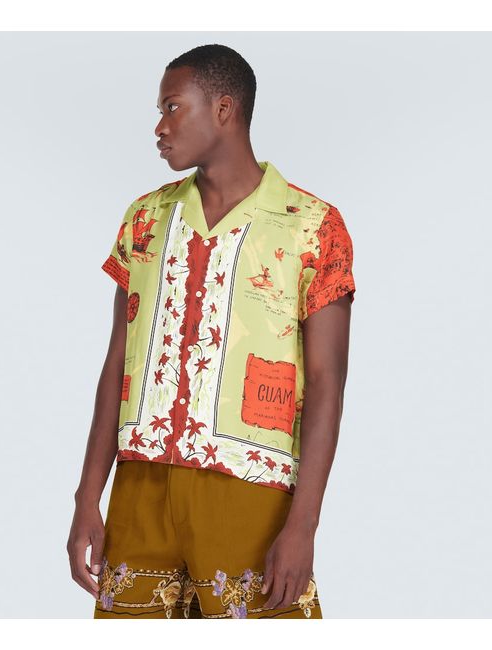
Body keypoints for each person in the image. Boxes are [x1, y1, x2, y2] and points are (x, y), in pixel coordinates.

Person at [67, 43, 356, 619]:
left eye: (172, 107)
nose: (159, 127)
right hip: (140, 487)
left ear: (224, 109)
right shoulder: (144, 220)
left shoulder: (313, 227)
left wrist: (303, 525)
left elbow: (327, 383)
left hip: (252, 491)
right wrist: (87, 497)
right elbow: (117, 363)